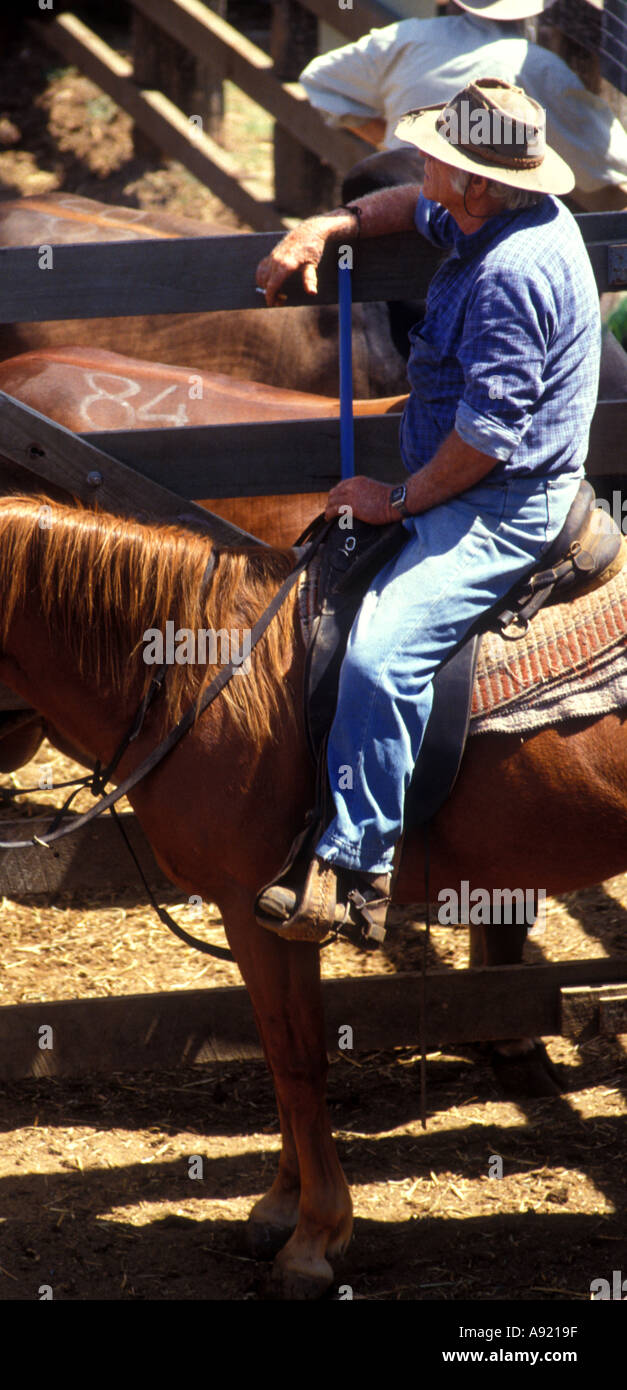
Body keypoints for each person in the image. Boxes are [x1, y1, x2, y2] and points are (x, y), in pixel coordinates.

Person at [253, 78, 601, 942]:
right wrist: (333, 225)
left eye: (442, 158)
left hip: (501, 501)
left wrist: (395, 498)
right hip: (482, 479)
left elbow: (485, 438)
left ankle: (358, 863)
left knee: (380, 654)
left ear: (478, 183)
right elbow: (415, 207)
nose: (426, 166)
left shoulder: (512, 274)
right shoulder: (494, 214)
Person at [300, 0, 627, 212]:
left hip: (396, 201)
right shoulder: (539, 69)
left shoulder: (404, 38)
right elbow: (611, 160)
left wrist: (391, 142)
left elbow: (320, 80)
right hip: (477, 215)